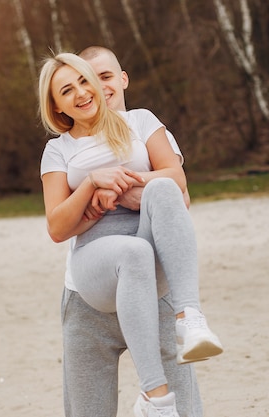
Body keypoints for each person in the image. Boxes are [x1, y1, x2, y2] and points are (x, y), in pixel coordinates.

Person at [38, 52, 223, 417]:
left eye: (85, 80)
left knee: (159, 198)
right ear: (56, 105)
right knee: (132, 252)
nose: (81, 92)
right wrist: (92, 184)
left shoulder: (139, 122)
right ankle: (156, 396)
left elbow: (177, 183)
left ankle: (190, 318)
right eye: (66, 89)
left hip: (152, 282)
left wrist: (121, 186)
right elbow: (57, 226)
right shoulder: (57, 150)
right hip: (94, 281)